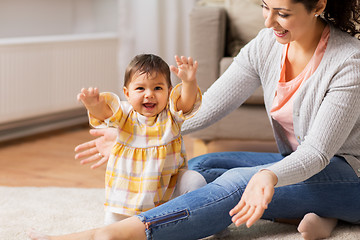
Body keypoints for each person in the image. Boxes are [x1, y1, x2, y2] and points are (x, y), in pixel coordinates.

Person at [28, 0, 360, 239]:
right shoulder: (267, 45)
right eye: (263, 6)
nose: (268, 21)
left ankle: (119, 234)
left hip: (350, 175)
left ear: (318, 5)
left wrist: (269, 175)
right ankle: (320, 213)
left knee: (238, 183)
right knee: (197, 169)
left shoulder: (349, 61)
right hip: (298, 163)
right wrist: (143, 133)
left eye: (282, 13)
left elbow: (317, 153)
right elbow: (211, 103)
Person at [76, 54, 206, 224]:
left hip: (168, 189)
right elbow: (105, 113)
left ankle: (203, 223)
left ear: (170, 91)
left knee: (196, 180)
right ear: (127, 93)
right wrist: (94, 105)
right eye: (140, 89)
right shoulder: (124, 114)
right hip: (127, 195)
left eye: (158, 88)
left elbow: (187, 104)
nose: (149, 95)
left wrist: (189, 82)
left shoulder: (171, 116)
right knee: (112, 230)